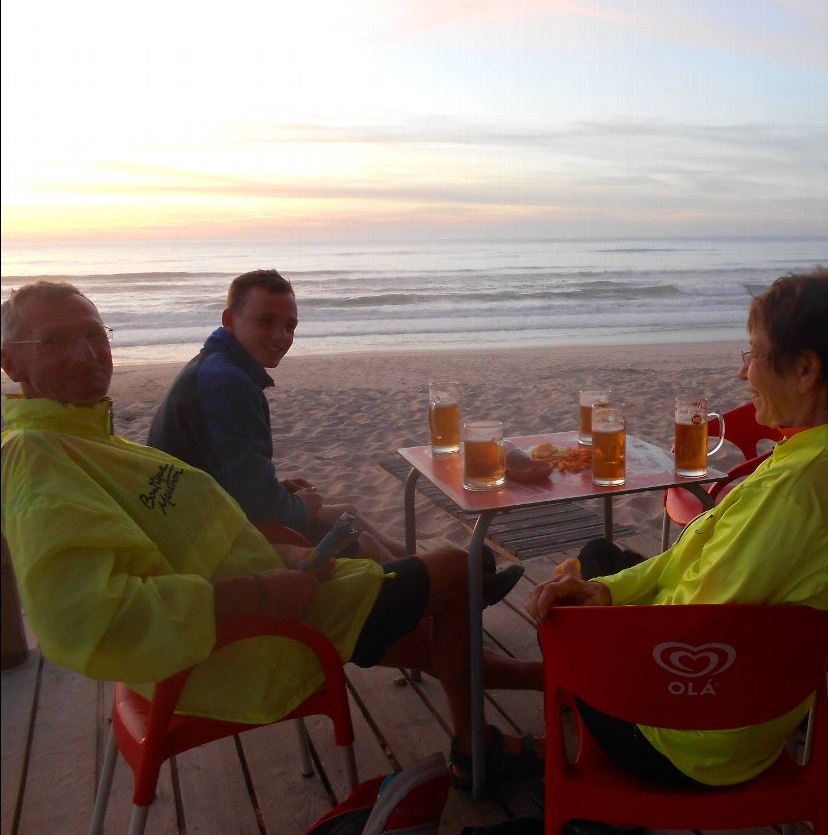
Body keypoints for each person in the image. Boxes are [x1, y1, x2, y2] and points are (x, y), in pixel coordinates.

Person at [0, 280, 542, 792]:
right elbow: (90, 620)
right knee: (451, 569)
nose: (86, 353)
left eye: (96, 334)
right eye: (54, 341)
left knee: (423, 622)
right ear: (11, 361)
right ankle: (485, 728)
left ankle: (529, 695)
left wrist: (282, 555)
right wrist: (262, 590)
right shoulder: (39, 459)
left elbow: (188, 528)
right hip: (231, 646)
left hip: (257, 593)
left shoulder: (82, 433)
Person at [527, 267, 828, 788]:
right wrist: (605, 593)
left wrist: (593, 617)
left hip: (688, 734)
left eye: (754, 354)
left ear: (807, 368)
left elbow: (690, 625)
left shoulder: (794, 491)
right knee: (599, 559)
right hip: (756, 701)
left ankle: (585, 771)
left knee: (556, 616)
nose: (744, 373)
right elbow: (690, 565)